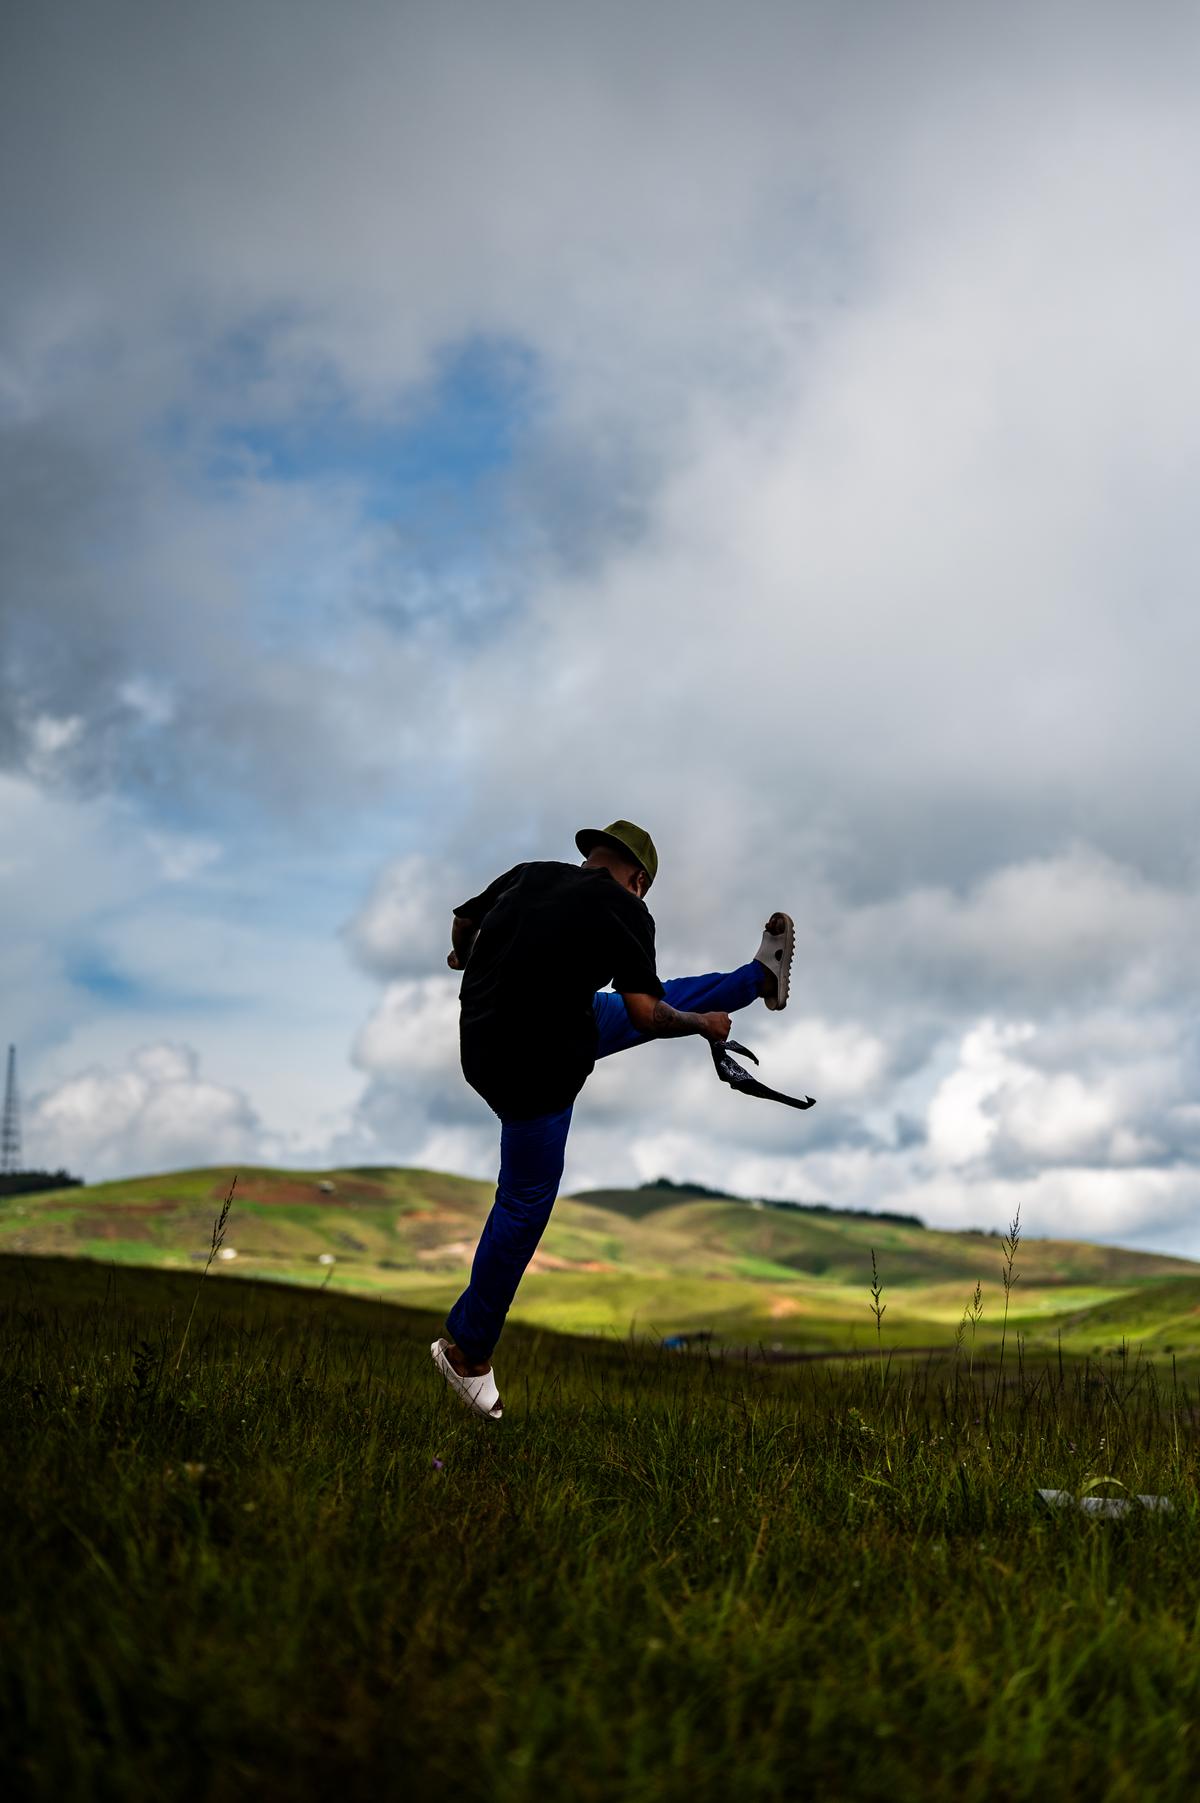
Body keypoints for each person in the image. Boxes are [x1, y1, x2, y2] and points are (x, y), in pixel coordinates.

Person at [430, 819, 794, 1418]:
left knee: (657, 993)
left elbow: (463, 923)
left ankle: (759, 978)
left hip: (487, 1041)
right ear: (639, 880)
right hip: (538, 1065)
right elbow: (650, 1016)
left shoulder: (530, 875)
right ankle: (466, 1352)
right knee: (522, 1206)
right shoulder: (627, 910)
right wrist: (704, 1026)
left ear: (590, 858)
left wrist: (463, 958)